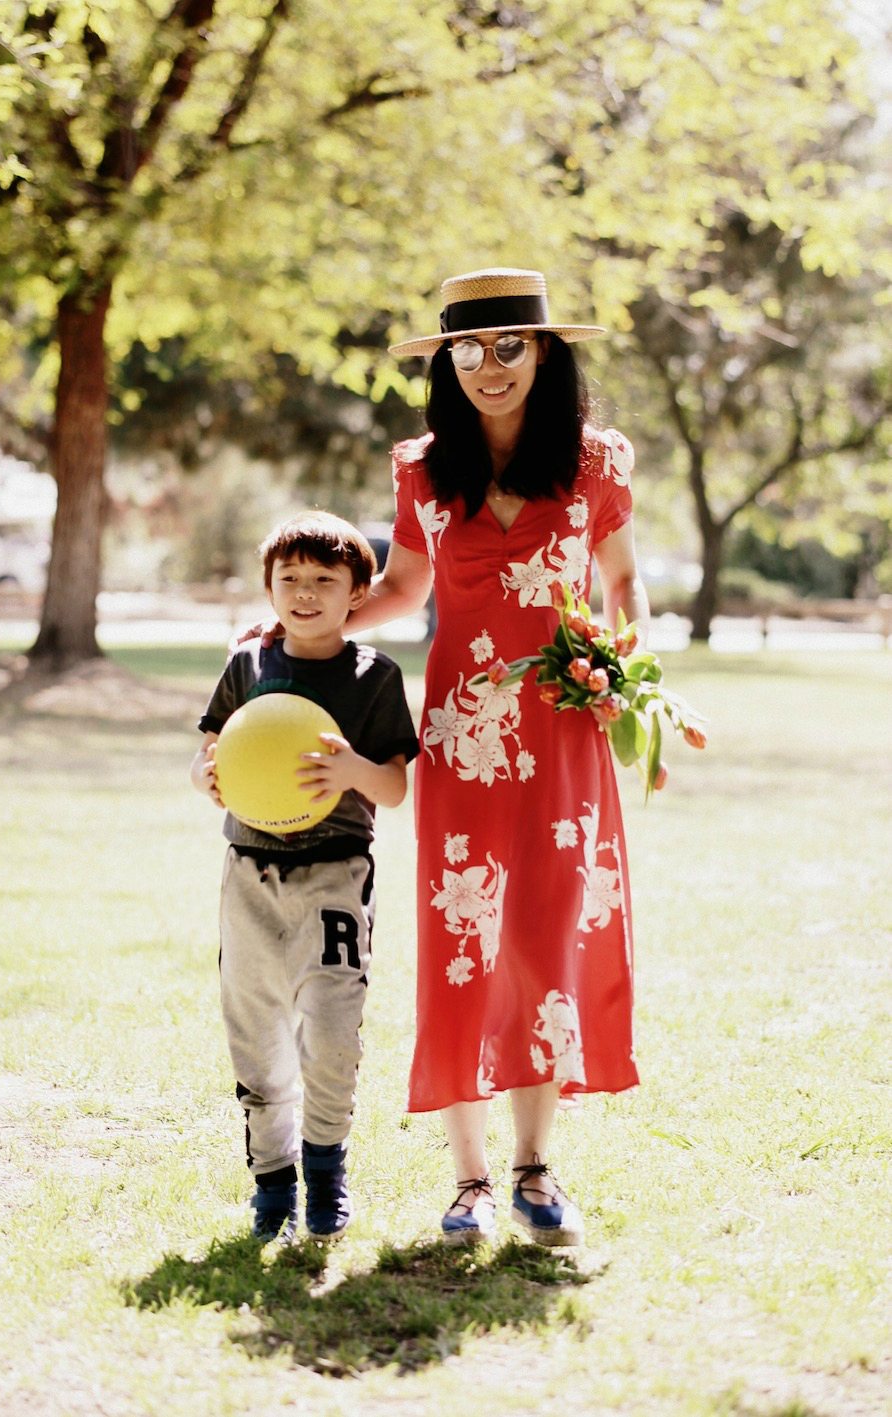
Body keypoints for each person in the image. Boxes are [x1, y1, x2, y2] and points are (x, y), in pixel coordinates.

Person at [253, 267, 650, 1248]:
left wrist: (622, 664)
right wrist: (309, 614)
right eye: (465, 351)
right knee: (467, 944)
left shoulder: (596, 464)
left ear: (546, 352)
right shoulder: (425, 469)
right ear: (447, 363)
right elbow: (399, 588)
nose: (486, 368)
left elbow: (624, 585)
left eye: (507, 346)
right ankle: (470, 1180)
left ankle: (534, 1167)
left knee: (544, 943)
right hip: (463, 741)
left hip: (565, 737)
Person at [192, 511, 419, 1241]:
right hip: (249, 874)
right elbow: (207, 755)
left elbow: (393, 787)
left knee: (330, 1028)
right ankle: (271, 1184)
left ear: (358, 591)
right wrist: (208, 777)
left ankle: (325, 1172)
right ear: (269, 587)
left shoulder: (374, 675)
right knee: (254, 1030)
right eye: (289, 579)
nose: (306, 592)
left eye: (326, 580)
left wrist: (354, 768)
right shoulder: (249, 665)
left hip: (335, 875)